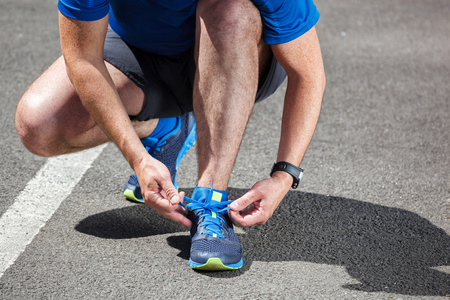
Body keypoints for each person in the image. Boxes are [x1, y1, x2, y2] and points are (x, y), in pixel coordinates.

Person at [15, 0, 325, 271]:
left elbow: (308, 75)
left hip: (237, 50)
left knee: (232, 11)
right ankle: (165, 128)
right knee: (39, 125)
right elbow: (83, 61)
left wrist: (284, 175)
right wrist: (138, 157)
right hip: (142, 56)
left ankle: (211, 200)